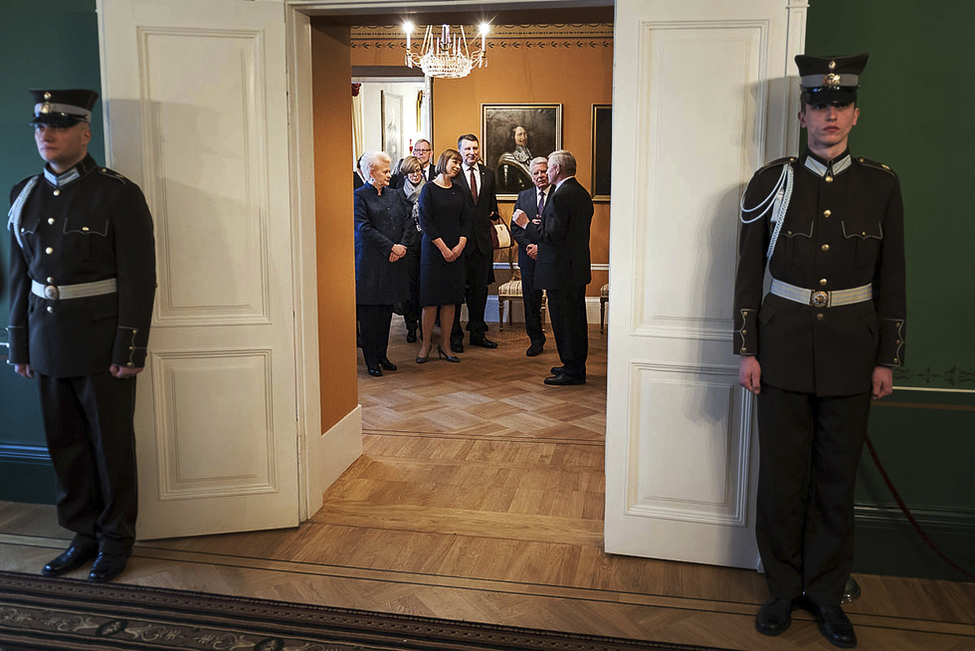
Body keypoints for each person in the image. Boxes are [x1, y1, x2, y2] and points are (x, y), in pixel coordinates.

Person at [734, 54, 906, 649]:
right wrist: (747, 349)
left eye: (840, 106)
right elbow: (747, 271)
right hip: (779, 350)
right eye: (818, 105)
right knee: (782, 479)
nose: (829, 115)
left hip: (853, 357)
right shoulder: (771, 181)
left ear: (855, 114)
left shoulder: (882, 184)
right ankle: (782, 589)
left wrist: (887, 357)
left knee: (835, 480)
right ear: (803, 114)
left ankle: (828, 595)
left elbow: (893, 277)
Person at [6, 89, 156, 583]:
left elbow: (138, 277)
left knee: (110, 447)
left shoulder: (117, 193)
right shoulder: (23, 193)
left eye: (60, 126)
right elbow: (18, 276)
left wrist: (130, 348)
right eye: (39, 127)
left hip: (101, 344)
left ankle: (116, 539)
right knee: (65, 445)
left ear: (85, 133)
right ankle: (83, 533)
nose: (46, 135)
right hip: (47, 341)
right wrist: (20, 343)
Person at [511, 150, 592, 385]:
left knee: (565, 322)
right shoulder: (581, 193)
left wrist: (526, 224)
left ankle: (572, 371)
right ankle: (574, 365)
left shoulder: (560, 196)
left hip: (560, 272)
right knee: (575, 321)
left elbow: (551, 237)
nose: (546, 172)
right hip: (575, 269)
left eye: (549, 168)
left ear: (557, 169)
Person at [353, 151, 413, 377]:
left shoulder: (396, 195)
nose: (390, 175)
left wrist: (402, 246)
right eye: (385, 171)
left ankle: (382, 355)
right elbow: (363, 228)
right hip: (370, 265)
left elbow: (408, 221)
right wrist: (391, 247)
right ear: (371, 173)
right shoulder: (359, 196)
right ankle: (371, 360)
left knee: (386, 312)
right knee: (370, 316)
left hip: (393, 263)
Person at [415, 149, 470, 364]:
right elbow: (426, 222)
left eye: (459, 163)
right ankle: (426, 344)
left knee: (450, 301)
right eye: (454, 162)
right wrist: (444, 249)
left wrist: (459, 246)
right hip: (434, 251)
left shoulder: (459, 191)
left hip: (456, 251)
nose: (457, 166)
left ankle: (445, 345)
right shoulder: (428, 189)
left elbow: (466, 221)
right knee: (430, 302)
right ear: (444, 162)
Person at [451, 134, 500, 352]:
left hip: (482, 243)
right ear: (460, 151)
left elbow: (492, 206)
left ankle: (478, 333)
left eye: (475, 148)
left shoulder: (488, 173)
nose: (472, 152)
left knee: (480, 291)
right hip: (458, 243)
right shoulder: (451, 173)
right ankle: (454, 336)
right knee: (456, 291)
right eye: (468, 149)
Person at [510, 157, 550, 357]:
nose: (540, 176)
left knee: (556, 300)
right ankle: (535, 340)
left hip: (551, 257)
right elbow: (515, 228)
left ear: (550, 172)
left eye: (543, 171)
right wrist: (530, 246)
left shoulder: (557, 196)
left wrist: (541, 248)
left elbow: (558, 231)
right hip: (529, 257)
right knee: (531, 301)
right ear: (531, 176)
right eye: (536, 173)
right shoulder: (523, 196)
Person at [396, 155, 426, 343]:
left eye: (418, 171)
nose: (415, 175)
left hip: (427, 242)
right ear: (405, 174)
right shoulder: (398, 194)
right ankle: (411, 326)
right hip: (407, 244)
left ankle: (426, 326)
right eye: (411, 172)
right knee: (409, 285)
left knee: (425, 286)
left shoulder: (429, 190)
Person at [497, 124, 534, 194]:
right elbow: (506, 186)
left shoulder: (530, 155)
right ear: (513, 137)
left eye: (525, 134)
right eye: (520, 135)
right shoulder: (506, 158)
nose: (523, 137)